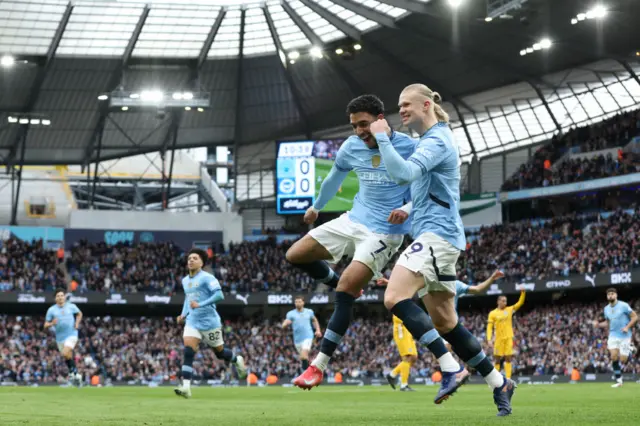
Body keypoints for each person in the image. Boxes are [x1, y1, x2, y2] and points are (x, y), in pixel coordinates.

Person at [291, 94, 461, 395]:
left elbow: (422, 188)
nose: (359, 131)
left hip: (384, 231)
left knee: (345, 290)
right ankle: (344, 286)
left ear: (381, 119)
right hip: (353, 219)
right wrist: (317, 207)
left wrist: (406, 210)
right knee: (296, 254)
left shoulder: (411, 147)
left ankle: (318, 364)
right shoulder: (351, 146)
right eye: (355, 126)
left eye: (364, 124)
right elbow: (334, 177)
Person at [371, 83, 516, 416]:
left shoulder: (437, 139)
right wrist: (408, 209)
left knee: (394, 297)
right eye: (398, 104)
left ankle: (449, 366)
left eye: (405, 104)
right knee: (446, 322)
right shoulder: (431, 141)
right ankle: (499, 383)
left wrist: (381, 136)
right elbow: (434, 189)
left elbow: (403, 173)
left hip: (437, 237)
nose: (401, 109)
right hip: (438, 236)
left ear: (426, 105)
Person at [382, 270, 505, 389]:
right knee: (448, 349)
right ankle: (456, 374)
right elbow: (410, 287)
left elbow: (477, 289)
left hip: (449, 326)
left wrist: (492, 278)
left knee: (465, 349)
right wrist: (390, 283)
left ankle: (460, 373)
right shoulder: (431, 281)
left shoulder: (455, 284)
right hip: (436, 327)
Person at [174, 248, 247, 398]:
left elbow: (219, 295)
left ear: (201, 262)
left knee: (220, 353)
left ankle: (236, 359)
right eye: (189, 258)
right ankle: (186, 387)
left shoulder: (208, 278)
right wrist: (183, 314)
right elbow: (188, 299)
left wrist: (201, 304)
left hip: (210, 322)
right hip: (193, 321)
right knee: (188, 351)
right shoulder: (185, 280)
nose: (191, 260)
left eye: (195, 258)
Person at [592, 288, 637, 387]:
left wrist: (627, 327)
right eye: (609, 295)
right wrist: (598, 325)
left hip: (625, 335)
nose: (610, 296)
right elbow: (608, 323)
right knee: (613, 357)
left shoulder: (624, 305)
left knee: (623, 360)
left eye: (612, 294)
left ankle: (630, 348)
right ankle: (619, 381)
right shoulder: (606, 309)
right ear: (607, 297)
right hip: (613, 335)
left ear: (616, 295)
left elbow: (635, 317)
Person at [44, 288, 83, 387]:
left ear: (65, 297)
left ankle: (72, 374)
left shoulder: (71, 306)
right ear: (55, 299)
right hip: (60, 338)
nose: (60, 297)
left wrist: (77, 323)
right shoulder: (51, 310)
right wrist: (52, 323)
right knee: (67, 356)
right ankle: (75, 374)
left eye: (62, 295)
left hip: (72, 334)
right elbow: (45, 325)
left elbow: (79, 314)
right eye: (58, 296)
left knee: (66, 352)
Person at [487, 290, 526, 379]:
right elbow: (489, 327)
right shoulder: (493, 313)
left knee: (508, 358)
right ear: (498, 302)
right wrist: (489, 339)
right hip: (498, 339)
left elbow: (520, 303)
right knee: (497, 359)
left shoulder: (509, 310)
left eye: (506, 301)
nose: (505, 302)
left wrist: (523, 293)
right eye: (503, 301)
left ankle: (508, 379)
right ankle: (495, 379)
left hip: (508, 337)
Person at [282, 296, 322, 374]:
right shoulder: (291, 313)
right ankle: (310, 372)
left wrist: (318, 330)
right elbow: (284, 324)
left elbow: (314, 320)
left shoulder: (309, 312)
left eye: (299, 302)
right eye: (296, 302)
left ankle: (306, 373)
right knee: (304, 358)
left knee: (303, 356)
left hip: (308, 337)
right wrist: (285, 324)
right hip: (297, 340)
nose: (297, 303)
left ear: (303, 302)